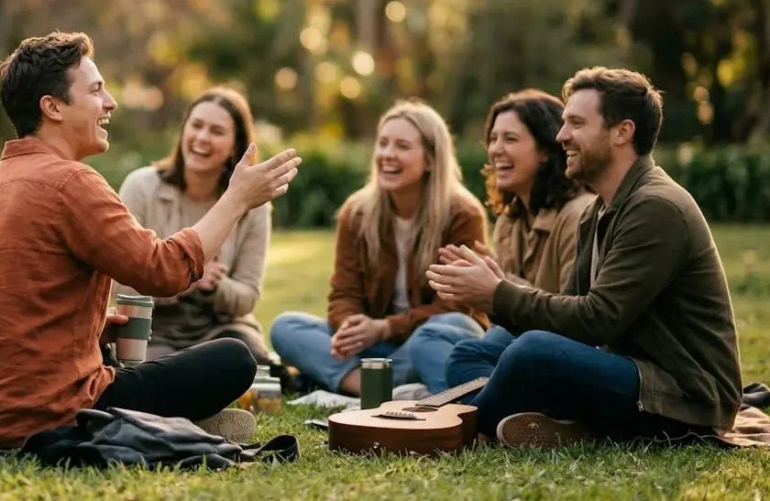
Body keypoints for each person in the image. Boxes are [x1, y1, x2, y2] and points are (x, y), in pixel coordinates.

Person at [0, 31, 302, 449]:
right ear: (51, 107)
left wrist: (88, 330)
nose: (110, 102)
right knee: (233, 359)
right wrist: (236, 199)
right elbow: (164, 270)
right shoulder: (71, 181)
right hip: (48, 415)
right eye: (95, 90)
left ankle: (168, 423)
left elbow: (3, 309)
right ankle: (163, 426)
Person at [428, 68, 742, 448]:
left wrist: (498, 293)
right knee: (473, 352)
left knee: (531, 353)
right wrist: (496, 295)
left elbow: (597, 320)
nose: (562, 137)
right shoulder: (599, 210)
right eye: (563, 123)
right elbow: (569, 316)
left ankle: (460, 428)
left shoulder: (656, 207)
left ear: (622, 132)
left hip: (683, 395)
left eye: (576, 123)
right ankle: (554, 424)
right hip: (627, 372)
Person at [270, 100, 488, 397]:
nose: (387, 154)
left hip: (428, 341)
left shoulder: (462, 214)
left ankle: (355, 385)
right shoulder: (356, 212)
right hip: (376, 350)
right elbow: (344, 293)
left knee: (449, 325)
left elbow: (456, 306)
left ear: (431, 160)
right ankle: (376, 388)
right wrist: (351, 328)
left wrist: (385, 327)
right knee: (286, 327)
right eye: (383, 143)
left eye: (402, 146)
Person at [411, 90, 594, 389]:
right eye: (493, 139)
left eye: (510, 139)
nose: (496, 149)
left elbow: (573, 317)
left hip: (553, 347)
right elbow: (503, 318)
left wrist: (496, 285)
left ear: (546, 149)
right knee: (430, 337)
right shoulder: (510, 221)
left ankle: (462, 401)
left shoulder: (577, 214)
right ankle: (478, 400)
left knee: (471, 353)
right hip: (515, 342)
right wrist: (479, 292)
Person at [114, 87, 272, 364]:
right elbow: (118, 286)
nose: (201, 138)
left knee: (245, 354)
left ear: (236, 144)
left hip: (221, 330)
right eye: (196, 126)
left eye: (216, 131)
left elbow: (247, 297)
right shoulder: (141, 187)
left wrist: (216, 286)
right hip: (155, 330)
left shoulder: (252, 205)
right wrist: (187, 279)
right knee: (152, 367)